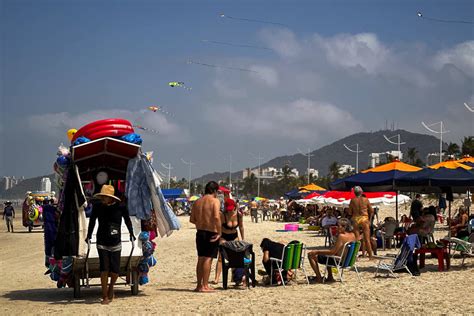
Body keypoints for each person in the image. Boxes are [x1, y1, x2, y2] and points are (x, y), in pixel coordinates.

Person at [86, 185, 135, 305]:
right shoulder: (98, 207)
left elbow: (127, 220)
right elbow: (92, 221)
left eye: (105, 197)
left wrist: (131, 233)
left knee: (115, 271)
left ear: (111, 197)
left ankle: (111, 288)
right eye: (102, 196)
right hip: (102, 241)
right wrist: (89, 235)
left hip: (116, 241)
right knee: (104, 269)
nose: (103, 198)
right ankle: (105, 296)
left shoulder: (120, 207)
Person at [190, 181, 221, 292]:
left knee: (201, 258)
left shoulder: (197, 201)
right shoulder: (215, 201)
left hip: (200, 232)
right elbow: (217, 217)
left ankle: (199, 285)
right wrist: (219, 232)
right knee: (208, 258)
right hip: (211, 232)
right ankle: (205, 285)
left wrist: (201, 223)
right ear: (214, 191)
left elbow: (192, 219)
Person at [307, 218, 356, 283]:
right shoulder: (353, 235)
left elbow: (332, 251)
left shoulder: (342, 236)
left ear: (344, 227)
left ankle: (319, 278)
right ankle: (330, 277)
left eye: (338, 226)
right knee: (327, 255)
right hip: (348, 261)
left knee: (311, 255)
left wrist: (317, 251)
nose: (337, 227)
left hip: (339, 262)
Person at [213, 197, 245, 284]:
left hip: (234, 235)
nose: (230, 211)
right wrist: (219, 238)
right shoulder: (222, 215)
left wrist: (242, 239)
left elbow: (241, 227)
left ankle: (234, 276)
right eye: (228, 209)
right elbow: (218, 228)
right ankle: (217, 278)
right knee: (221, 257)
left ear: (235, 207)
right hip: (224, 236)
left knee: (236, 255)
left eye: (231, 209)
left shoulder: (239, 215)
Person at [348, 186, 374, 259]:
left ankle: (355, 257)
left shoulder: (352, 200)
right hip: (364, 218)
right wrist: (370, 220)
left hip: (356, 218)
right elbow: (371, 211)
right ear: (362, 192)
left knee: (357, 239)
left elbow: (349, 212)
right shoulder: (366, 200)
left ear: (354, 193)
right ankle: (370, 256)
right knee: (367, 239)